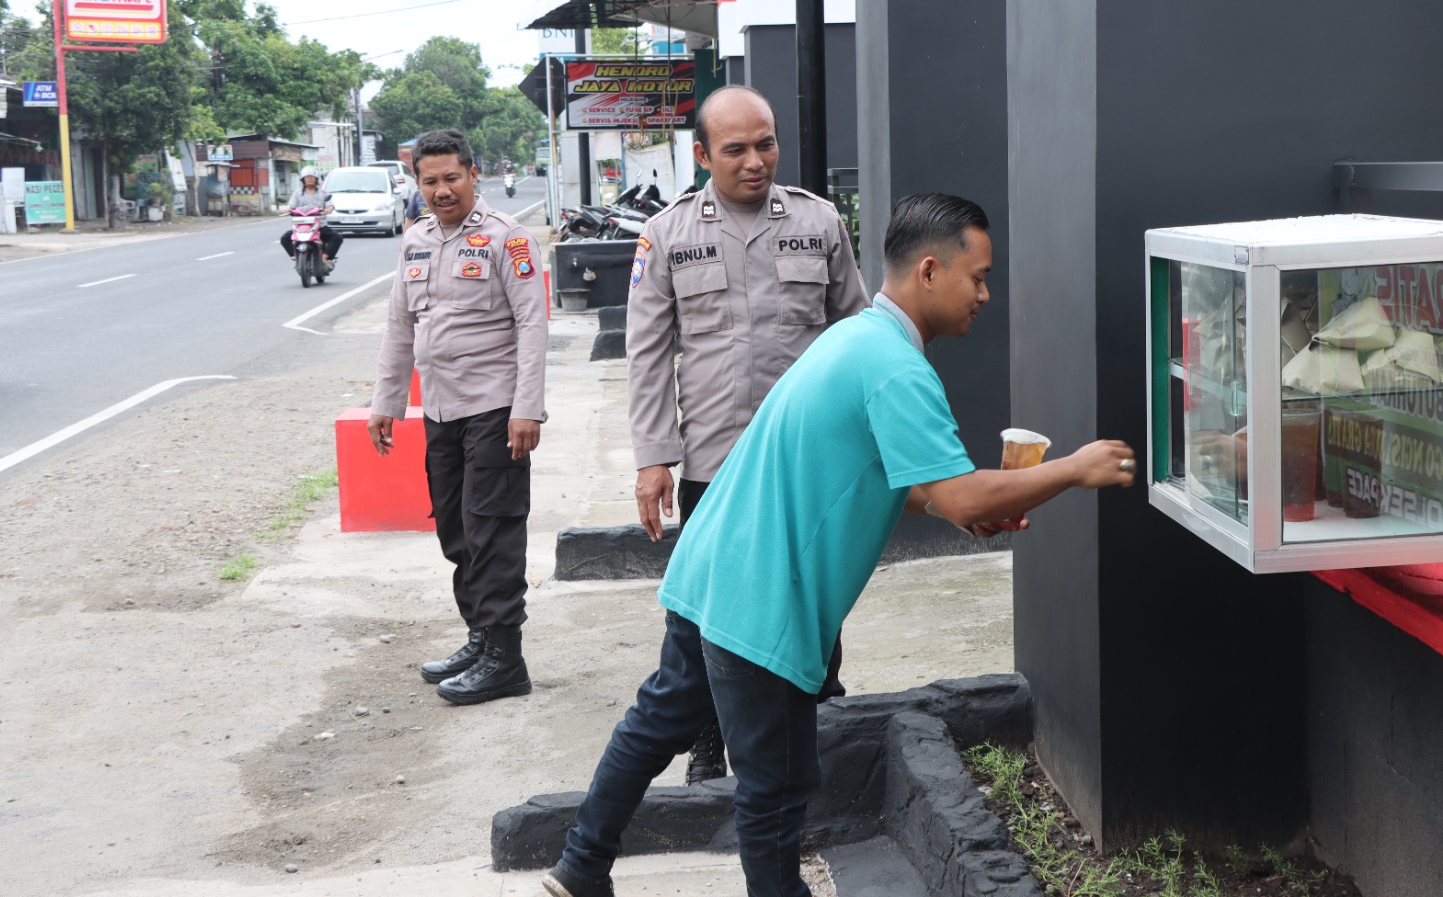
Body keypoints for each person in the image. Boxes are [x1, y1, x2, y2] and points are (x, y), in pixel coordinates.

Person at [542, 193, 1137, 897]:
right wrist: (1076, 468)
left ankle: (581, 864)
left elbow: (907, 482)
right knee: (777, 781)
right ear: (927, 270)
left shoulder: (858, 337)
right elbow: (959, 495)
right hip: (761, 591)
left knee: (660, 720)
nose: (985, 293)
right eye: (976, 276)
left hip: (711, 563)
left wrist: (959, 506)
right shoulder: (896, 367)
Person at [626, 84, 871, 786]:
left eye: (765, 143)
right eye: (736, 149)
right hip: (715, 458)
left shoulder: (818, 222)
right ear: (702, 154)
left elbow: (854, 333)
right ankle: (708, 739)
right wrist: (654, 459)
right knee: (710, 608)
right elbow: (647, 354)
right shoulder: (667, 234)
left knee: (814, 594)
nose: (755, 160)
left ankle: (817, 720)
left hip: (807, 460)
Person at [367, 129, 549, 706]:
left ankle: (505, 657)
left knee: (493, 527)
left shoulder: (507, 239)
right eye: (430, 181)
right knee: (456, 527)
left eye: (451, 178)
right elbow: (400, 325)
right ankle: (479, 636)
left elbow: (532, 326)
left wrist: (527, 408)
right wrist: (386, 402)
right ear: (416, 184)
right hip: (441, 407)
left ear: (473, 173)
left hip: (495, 407)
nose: (441, 191)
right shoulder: (416, 239)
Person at [279, 166, 342, 265]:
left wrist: (327, 209)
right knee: (284, 238)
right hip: (300, 226)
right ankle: (296, 257)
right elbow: (291, 205)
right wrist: (287, 209)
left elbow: (330, 205)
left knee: (337, 238)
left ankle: (324, 258)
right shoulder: (297, 193)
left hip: (319, 226)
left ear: (316, 179)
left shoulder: (323, 192)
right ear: (303, 180)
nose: (309, 179)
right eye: (307, 177)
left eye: (312, 177)